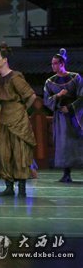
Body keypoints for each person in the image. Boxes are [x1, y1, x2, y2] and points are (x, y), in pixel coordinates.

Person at [0, 42, 37, 197]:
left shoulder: (15, 77)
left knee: (19, 152)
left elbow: (31, 96)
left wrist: (23, 109)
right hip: (4, 117)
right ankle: (9, 186)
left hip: (17, 117)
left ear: (4, 60)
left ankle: (22, 187)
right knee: (4, 152)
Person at [43, 48, 83, 183]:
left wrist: (70, 108)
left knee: (78, 142)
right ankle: (66, 173)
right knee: (63, 144)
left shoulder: (75, 77)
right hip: (60, 117)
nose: (53, 66)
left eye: (55, 63)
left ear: (62, 64)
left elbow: (82, 96)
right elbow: (46, 100)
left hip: (76, 115)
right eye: (52, 63)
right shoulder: (50, 82)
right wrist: (58, 96)